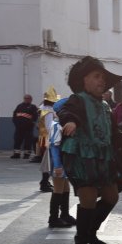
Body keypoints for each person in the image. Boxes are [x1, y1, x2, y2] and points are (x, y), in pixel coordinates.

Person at [57, 56, 122, 244]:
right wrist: (70, 122)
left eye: (103, 78)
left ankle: (90, 233)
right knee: (87, 198)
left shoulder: (105, 106)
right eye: (97, 76)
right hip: (82, 154)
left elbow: (113, 134)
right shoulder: (77, 99)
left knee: (111, 196)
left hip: (102, 156)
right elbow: (66, 111)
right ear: (83, 79)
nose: (102, 81)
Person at [45, 97, 76, 228]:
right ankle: (53, 218)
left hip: (63, 161)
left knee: (65, 187)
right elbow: (54, 146)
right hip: (58, 161)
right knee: (58, 188)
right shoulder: (57, 126)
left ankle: (64, 214)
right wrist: (58, 165)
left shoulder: (61, 124)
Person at [37, 86, 58, 192]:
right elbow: (49, 126)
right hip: (48, 138)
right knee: (48, 162)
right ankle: (44, 183)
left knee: (47, 161)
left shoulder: (42, 108)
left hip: (42, 137)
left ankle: (45, 181)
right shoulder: (48, 111)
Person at [11, 94, 38, 159]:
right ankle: (16, 154)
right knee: (17, 140)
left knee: (28, 141)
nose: (26, 99)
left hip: (28, 128)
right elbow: (15, 115)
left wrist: (31, 123)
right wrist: (16, 123)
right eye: (25, 98)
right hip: (19, 128)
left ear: (31, 100)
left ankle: (27, 154)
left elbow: (35, 117)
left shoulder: (33, 107)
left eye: (28, 98)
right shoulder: (19, 106)